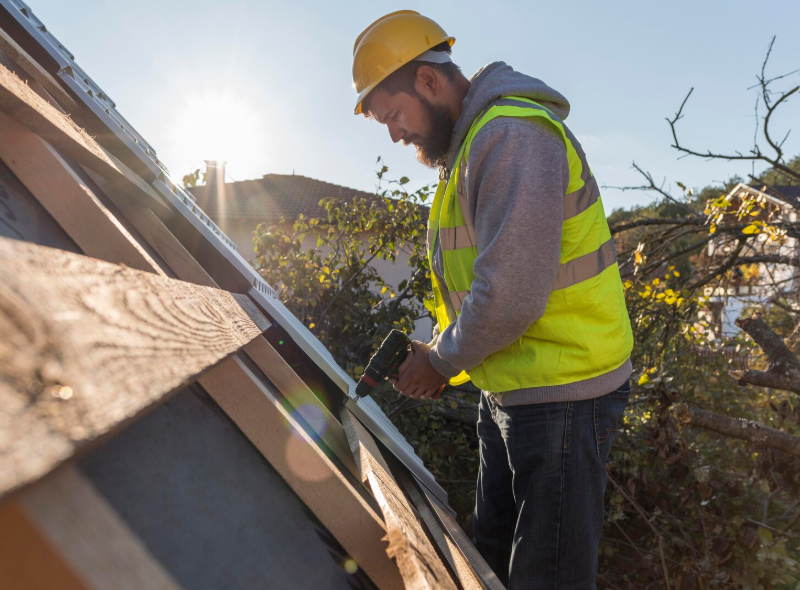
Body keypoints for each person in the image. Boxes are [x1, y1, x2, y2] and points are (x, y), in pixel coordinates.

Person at [352, 11, 634, 589]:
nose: (395, 134)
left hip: (564, 395)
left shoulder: (510, 138)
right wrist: (438, 353)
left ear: (428, 81)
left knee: (545, 578)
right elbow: (478, 289)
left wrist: (439, 362)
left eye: (394, 115)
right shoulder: (470, 149)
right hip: (512, 388)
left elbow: (509, 296)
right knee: (491, 564)